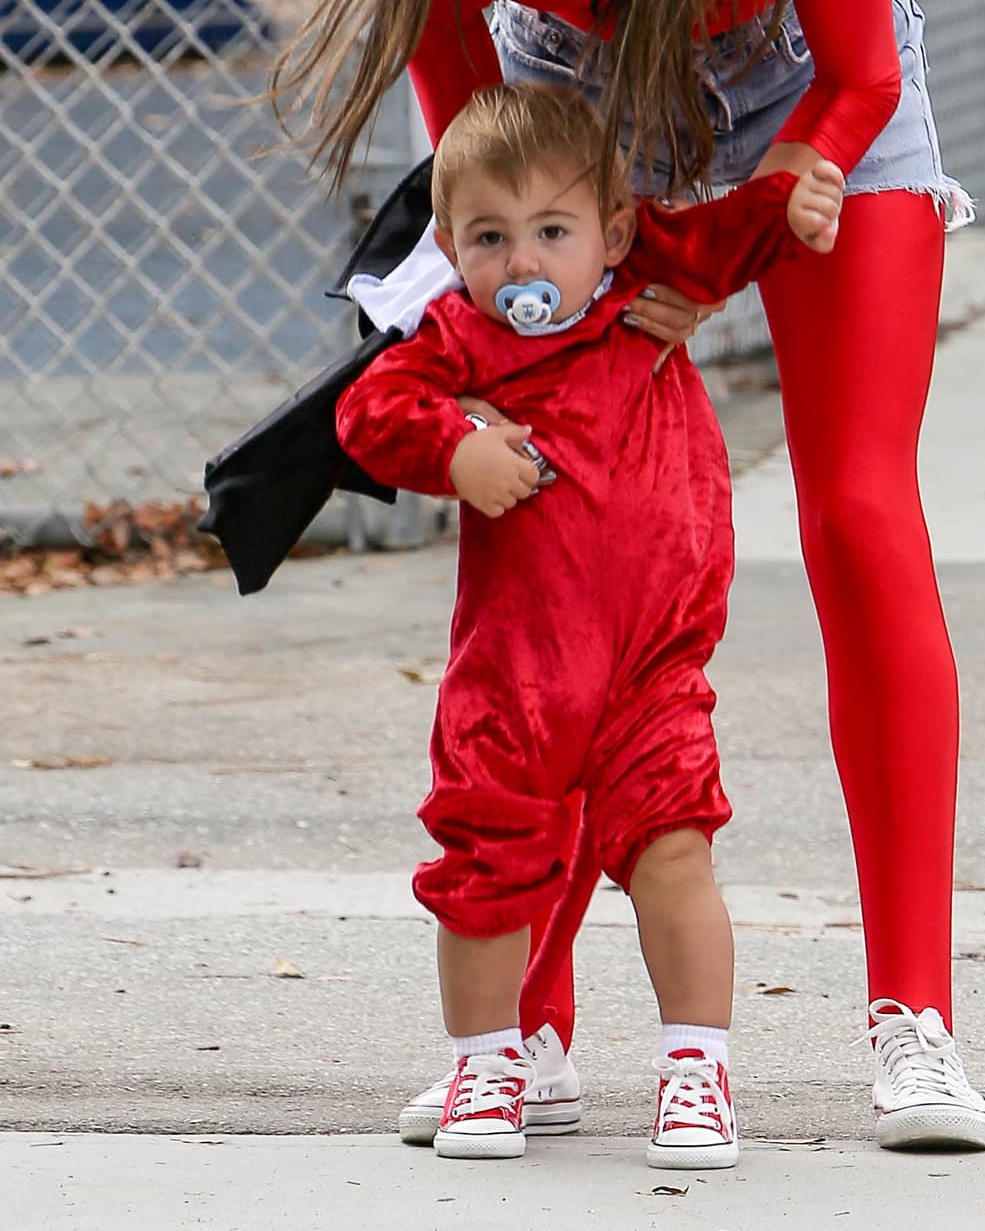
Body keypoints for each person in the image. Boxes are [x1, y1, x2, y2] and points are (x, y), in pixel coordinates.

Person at [272, 0, 985, 1154]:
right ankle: (526, 1038)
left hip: (808, 99)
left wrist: (721, 254)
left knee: (859, 509)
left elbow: (859, 79)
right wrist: (566, 302)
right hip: (587, 115)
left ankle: (913, 1023)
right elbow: (481, 180)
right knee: (547, 540)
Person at [335, 82, 840, 1165]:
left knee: (675, 851)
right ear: (449, 249)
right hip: (515, 674)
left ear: (611, 233)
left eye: (551, 232)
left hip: (651, 668)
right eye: (489, 238)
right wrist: (453, 446)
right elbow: (369, 410)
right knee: (485, 870)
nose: (523, 261)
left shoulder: (649, 293)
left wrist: (788, 202)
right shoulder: (460, 341)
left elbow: (726, 233)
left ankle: (696, 1068)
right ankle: (488, 1063)